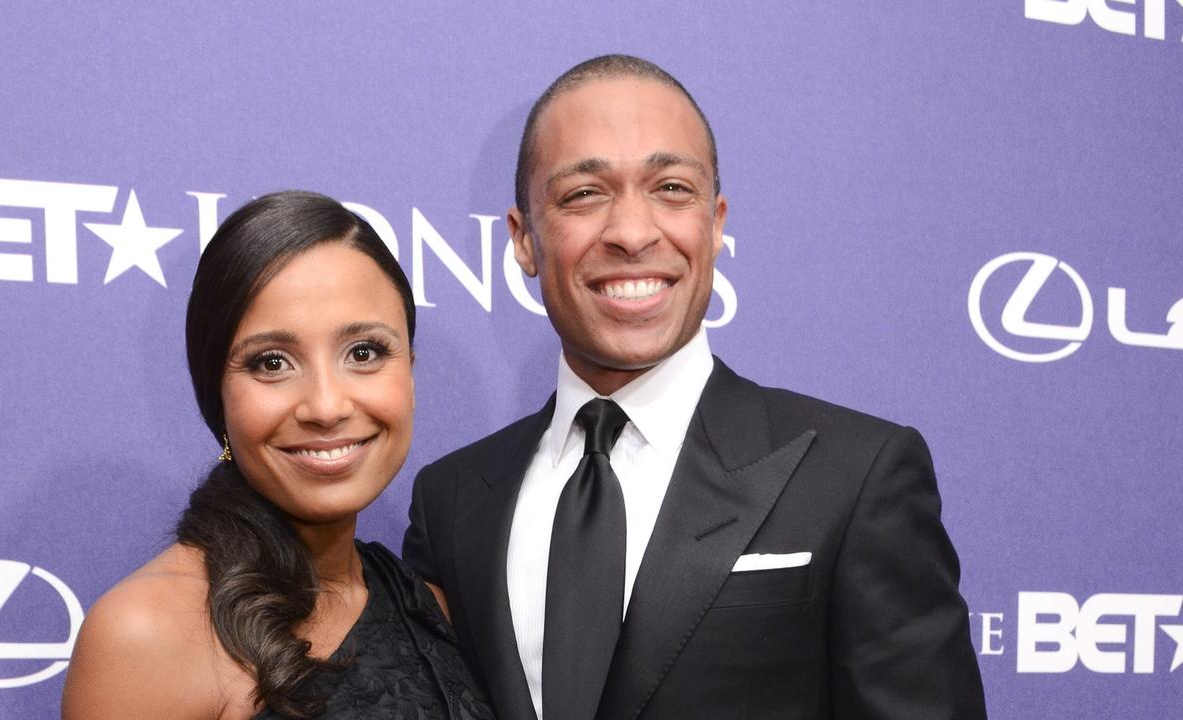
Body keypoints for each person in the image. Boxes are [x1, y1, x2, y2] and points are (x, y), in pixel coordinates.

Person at [403, 55, 987, 720]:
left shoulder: (855, 476)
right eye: (583, 195)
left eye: (672, 189)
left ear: (715, 223)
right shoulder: (452, 501)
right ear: (524, 240)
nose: (631, 232)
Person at [62, 191, 495, 720]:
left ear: (409, 368)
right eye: (271, 362)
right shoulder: (148, 635)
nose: (326, 405)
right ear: (216, 396)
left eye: (364, 353)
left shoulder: (433, 607)